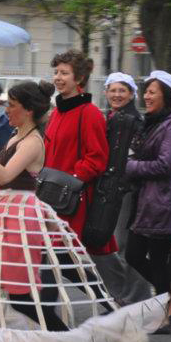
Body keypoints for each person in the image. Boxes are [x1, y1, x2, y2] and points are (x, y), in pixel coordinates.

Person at [0, 82, 167, 342]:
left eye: (12, 105)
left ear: (29, 110)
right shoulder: (15, 135)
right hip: (2, 214)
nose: (7, 109)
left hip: (19, 218)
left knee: (18, 297)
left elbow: (6, 176)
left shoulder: (34, 141)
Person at [42, 49, 115, 312]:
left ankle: (49, 319)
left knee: (55, 256)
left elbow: (97, 158)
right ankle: (108, 303)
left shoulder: (90, 113)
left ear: (79, 78)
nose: (57, 78)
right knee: (57, 258)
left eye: (64, 73)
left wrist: (70, 179)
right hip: (51, 197)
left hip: (72, 200)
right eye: (56, 72)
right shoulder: (57, 112)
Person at [124, 70, 171, 334]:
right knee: (135, 255)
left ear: (167, 96)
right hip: (148, 199)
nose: (146, 96)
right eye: (146, 91)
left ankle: (164, 312)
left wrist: (130, 166)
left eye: (152, 92)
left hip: (165, 200)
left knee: (156, 258)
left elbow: (165, 164)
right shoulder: (152, 122)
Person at [90, 73, 152, 305]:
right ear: (105, 92)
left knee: (122, 246)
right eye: (113, 90)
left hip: (122, 190)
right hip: (119, 188)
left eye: (122, 91)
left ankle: (133, 298)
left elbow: (123, 159)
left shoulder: (127, 120)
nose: (116, 95)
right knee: (118, 246)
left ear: (132, 94)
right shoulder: (117, 117)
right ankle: (128, 296)